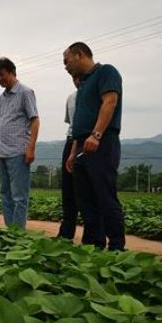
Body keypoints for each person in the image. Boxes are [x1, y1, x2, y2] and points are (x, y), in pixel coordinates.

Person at [63, 42, 125, 251]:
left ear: (79, 55)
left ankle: (116, 246)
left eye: (67, 60)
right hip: (82, 144)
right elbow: (77, 123)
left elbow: (110, 101)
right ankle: (93, 244)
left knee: (104, 195)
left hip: (101, 142)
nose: (65, 66)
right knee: (85, 200)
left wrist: (96, 135)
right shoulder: (83, 85)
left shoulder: (106, 72)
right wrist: (73, 153)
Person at [0, 57, 40, 229]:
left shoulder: (25, 92)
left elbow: (35, 121)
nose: (0, 79)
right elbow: (2, 122)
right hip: (3, 152)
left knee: (19, 196)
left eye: (2, 75)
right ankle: (9, 229)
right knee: (5, 194)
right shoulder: (2, 97)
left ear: (13, 73)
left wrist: (31, 148)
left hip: (19, 152)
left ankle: (18, 233)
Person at [57, 75, 81, 240]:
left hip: (87, 140)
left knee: (87, 191)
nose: (77, 80)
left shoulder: (94, 95)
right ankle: (66, 234)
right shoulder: (71, 98)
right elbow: (70, 122)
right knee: (68, 191)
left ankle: (94, 238)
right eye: (75, 77)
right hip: (71, 139)